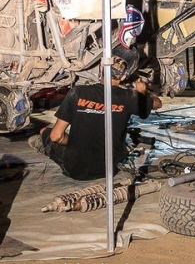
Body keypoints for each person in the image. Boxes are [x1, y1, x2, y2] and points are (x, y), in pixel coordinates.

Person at [28, 56, 162, 180]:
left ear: (101, 68)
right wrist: (142, 92)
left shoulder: (77, 92)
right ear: (122, 77)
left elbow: (56, 136)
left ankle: (48, 150)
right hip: (110, 169)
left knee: (44, 132)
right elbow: (158, 104)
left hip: (75, 170)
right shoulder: (129, 97)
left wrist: (72, 142)